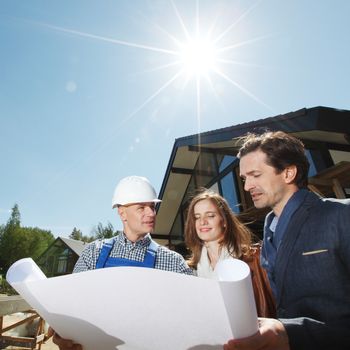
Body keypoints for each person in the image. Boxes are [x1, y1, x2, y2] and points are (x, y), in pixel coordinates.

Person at [224, 131, 350, 350]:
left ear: (289, 173)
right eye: (244, 179)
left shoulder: (341, 214)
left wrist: (290, 333)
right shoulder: (269, 234)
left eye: (255, 175)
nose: (246, 187)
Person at [52, 175, 193, 350]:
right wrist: (65, 332)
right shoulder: (93, 252)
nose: (151, 213)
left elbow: (192, 318)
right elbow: (71, 304)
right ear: (122, 212)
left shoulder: (174, 262)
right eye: (142, 207)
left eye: (152, 206)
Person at [185, 189, 276, 318]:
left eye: (210, 215)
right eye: (197, 217)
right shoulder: (189, 270)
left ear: (224, 221)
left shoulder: (254, 258)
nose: (202, 222)